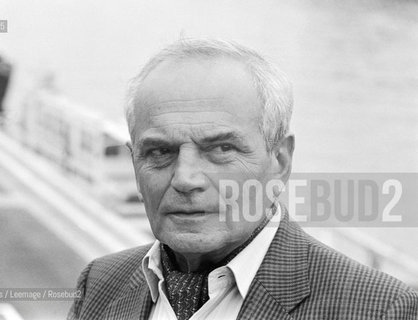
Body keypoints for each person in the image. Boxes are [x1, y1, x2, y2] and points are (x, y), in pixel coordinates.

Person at [68, 39, 418, 320]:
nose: (186, 179)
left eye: (221, 149)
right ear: (134, 164)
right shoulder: (99, 284)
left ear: (279, 161)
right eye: (160, 152)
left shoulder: (380, 309)